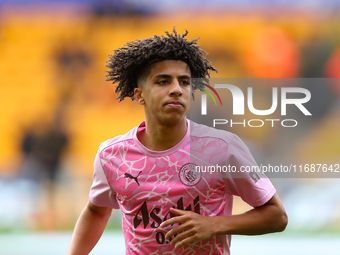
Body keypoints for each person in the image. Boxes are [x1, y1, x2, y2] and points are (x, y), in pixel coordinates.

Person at [67, 28, 287, 255]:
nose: (176, 90)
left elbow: (277, 216)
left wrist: (214, 225)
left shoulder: (223, 148)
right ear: (139, 94)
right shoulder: (111, 155)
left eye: (184, 82)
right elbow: (96, 211)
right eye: (163, 82)